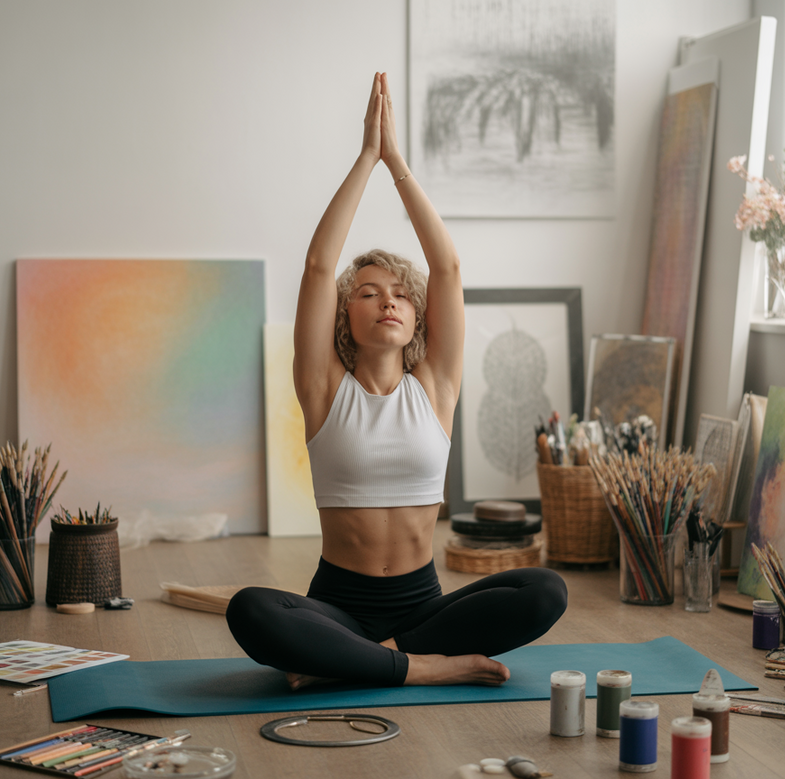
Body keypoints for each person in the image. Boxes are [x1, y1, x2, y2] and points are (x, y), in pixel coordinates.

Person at [226, 72, 567, 689]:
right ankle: (418, 669)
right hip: (337, 605)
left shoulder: (436, 387)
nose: (388, 301)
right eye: (367, 293)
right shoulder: (324, 389)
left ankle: (369, 660)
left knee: (544, 589)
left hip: (423, 607)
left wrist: (397, 163)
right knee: (249, 609)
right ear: (344, 314)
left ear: (416, 319)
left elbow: (447, 267)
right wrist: (365, 158)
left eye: (401, 295)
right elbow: (317, 265)